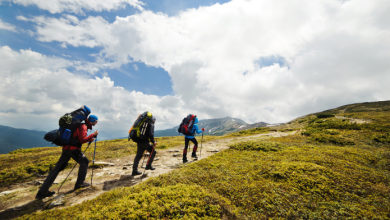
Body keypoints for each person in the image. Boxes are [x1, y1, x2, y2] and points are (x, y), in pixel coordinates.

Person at [35, 115, 99, 199]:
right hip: (73, 150)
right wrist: (93, 135)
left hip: (66, 149)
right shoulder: (83, 126)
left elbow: (78, 137)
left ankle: (42, 191)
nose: (96, 123)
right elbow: (82, 140)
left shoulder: (81, 125)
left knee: (57, 169)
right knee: (84, 162)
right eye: (96, 121)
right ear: (93, 121)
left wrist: (89, 138)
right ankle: (80, 183)